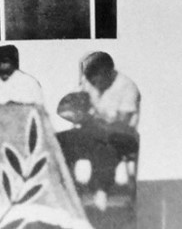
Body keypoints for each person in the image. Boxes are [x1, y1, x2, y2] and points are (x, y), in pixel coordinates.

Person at [55, 51, 141, 212]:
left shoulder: (127, 87)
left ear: (108, 73)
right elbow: (77, 105)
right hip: (93, 130)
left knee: (105, 146)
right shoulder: (88, 81)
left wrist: (94, 119)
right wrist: (75, 112)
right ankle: (66, 188)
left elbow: (122, 122)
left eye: (96, 80)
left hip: (122, 135)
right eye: (90, 80)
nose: (93, 84)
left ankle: (101, 191)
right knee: (58, 141)